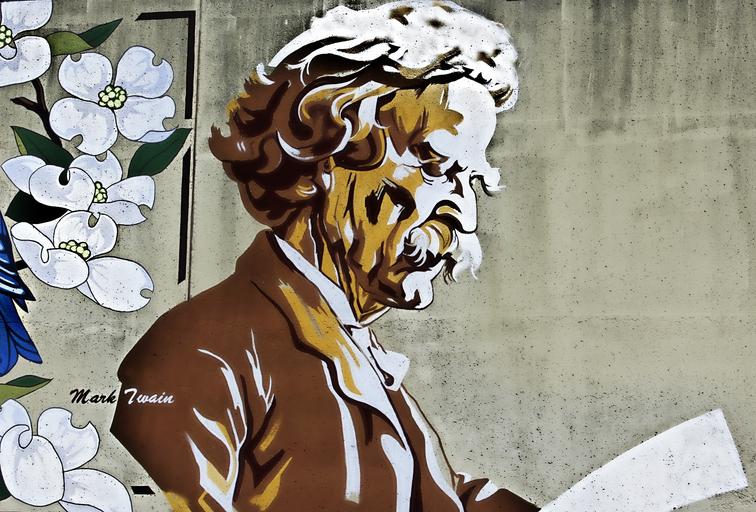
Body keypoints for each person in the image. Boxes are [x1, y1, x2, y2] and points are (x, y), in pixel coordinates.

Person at [111, 1, 538, 510]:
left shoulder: (351, 344)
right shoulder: (203, 354)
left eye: (472, 182)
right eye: (435, 167)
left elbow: (430, 495)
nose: (462, 217)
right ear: (324, 159)